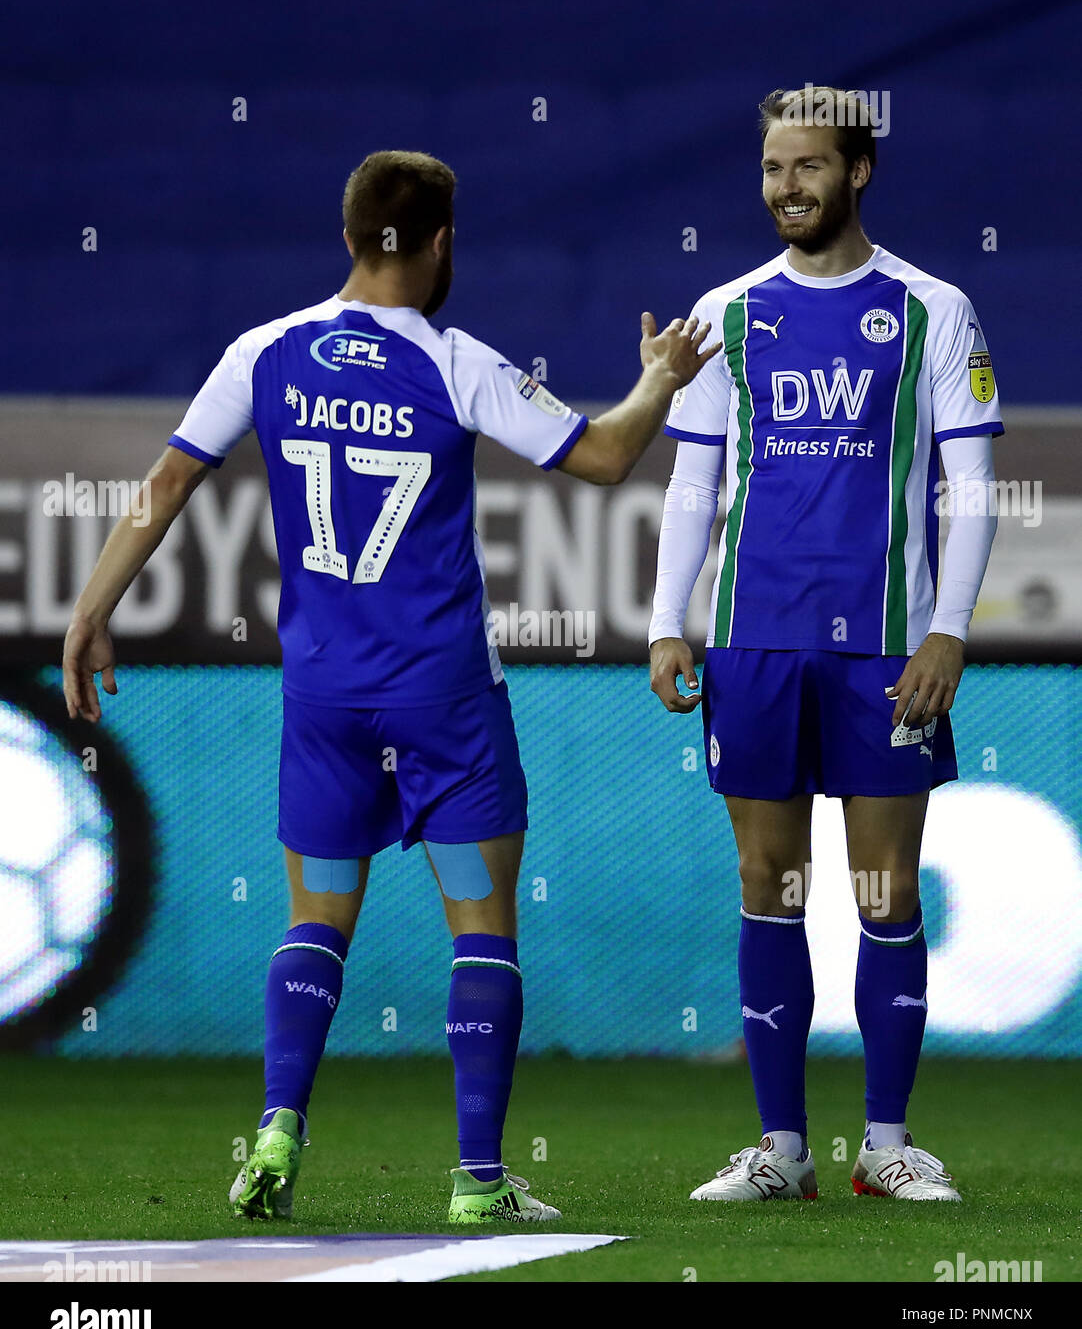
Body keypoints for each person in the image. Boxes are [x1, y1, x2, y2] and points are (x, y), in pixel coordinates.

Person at [63, 149, 719, 1224]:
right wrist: (657, 379)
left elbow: (167, 481)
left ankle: (277, 1126)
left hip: (323, 699)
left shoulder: (262, 350)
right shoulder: (454, 362)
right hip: (443, 699)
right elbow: (601, 458)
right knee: (482, 927)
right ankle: (474, 1179)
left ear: (347, 236)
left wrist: (93, 609)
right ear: (442, 243)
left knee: (316, 918)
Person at [649, 89, 1002, 1203]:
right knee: (768, 885)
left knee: (884, 890)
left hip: (885, 650)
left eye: (806, 167)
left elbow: (971, 484)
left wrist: (947, 625)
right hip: (752, 646)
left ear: (858, 171)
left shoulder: (929, 308)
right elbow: (694, 480)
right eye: (769, 169)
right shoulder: (727, 312)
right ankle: (781, 1152)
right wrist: (667, 620)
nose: (783, 189)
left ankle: (887, 1145)